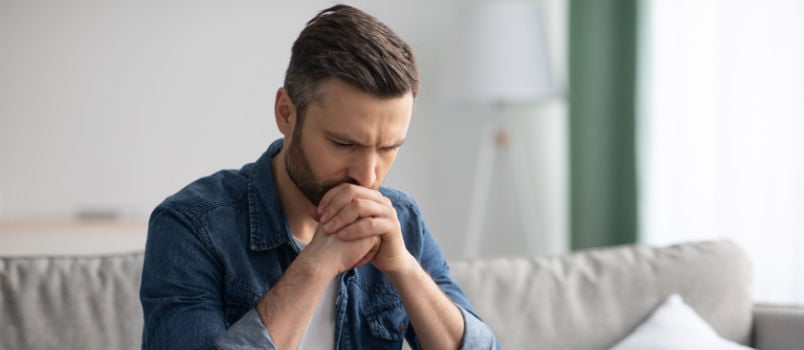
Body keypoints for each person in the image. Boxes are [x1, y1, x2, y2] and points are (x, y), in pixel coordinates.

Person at [140, 4, 499, 349]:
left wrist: (403, 268)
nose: (367, 175)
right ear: (286, 113)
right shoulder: (190, 227)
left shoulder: (401, 220)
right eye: (343, 143)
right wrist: (317, 263)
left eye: (389, 147)